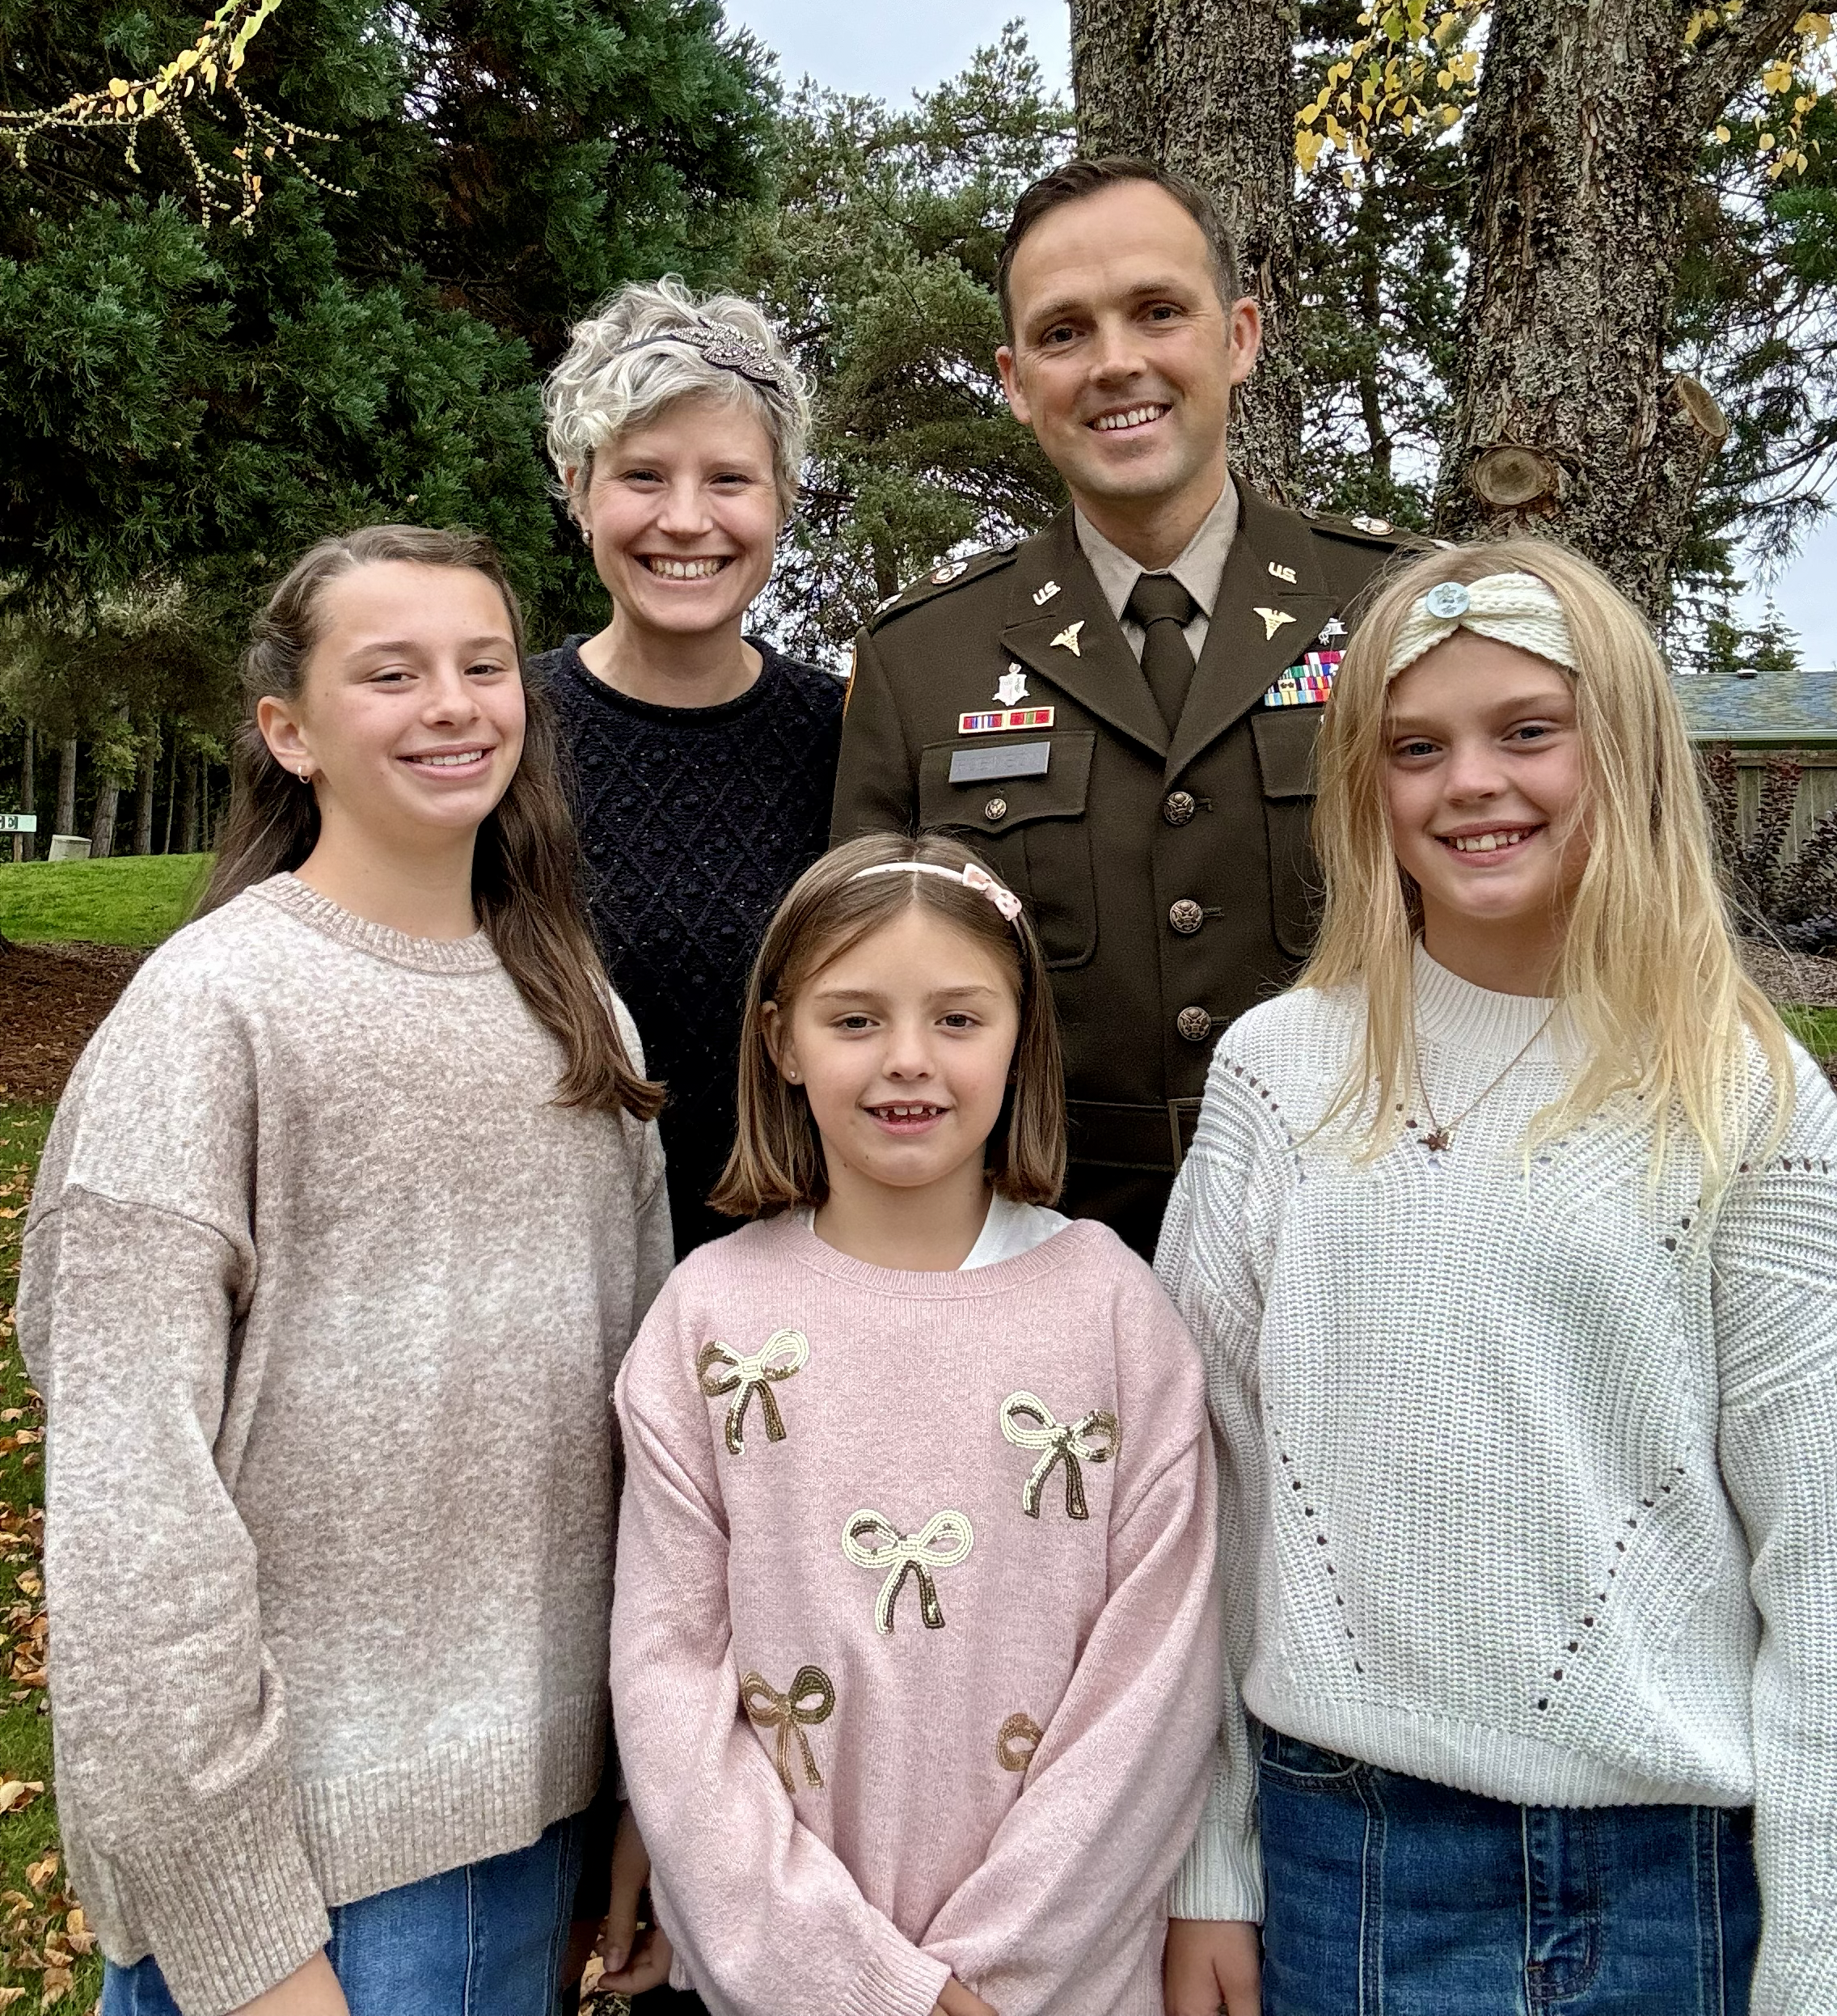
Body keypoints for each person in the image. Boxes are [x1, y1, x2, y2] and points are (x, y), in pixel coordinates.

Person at [1156, 539, 1837, 2016]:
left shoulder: (1742, 1097)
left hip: (1669, 1887)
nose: (1470, 780)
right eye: (1416, 747)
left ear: (1621, 750)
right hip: (1341, 1856)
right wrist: (1207, 1862)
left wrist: (1829, 1957)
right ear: (1366, 788)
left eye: (1527, 730)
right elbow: (1202, 1503)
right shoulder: (1278, 1080)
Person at [19, 525, 672, 2016]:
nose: (452, 703)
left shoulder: (583, 1019)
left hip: (538, 1840)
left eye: (484, 664)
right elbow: (134, 1518)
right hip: (310, 1898)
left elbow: (642, 1451)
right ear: (289, 729)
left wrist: (639, 1786)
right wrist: (243, 1934)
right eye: (391, 671)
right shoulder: (211, 1014)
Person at [601, 833, 1223, 2016]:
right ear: (779, 1040)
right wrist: (859, 1986)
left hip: (1066, 1988)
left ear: (1021, 1034)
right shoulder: (707, 1319)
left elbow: (1158, 1685)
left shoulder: (1114, 1312)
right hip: (773, 1987)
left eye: (957, 1019)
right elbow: (669, 1682)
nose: (907, 1062)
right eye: (854, 1021)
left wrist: (987, 1981)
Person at [830, 155, 1425, 1257]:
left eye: (1158, 312)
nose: (1115, 363)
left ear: (1240, 335)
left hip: (1373, 1243)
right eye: (1064, 333)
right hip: (1038, 1260)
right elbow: (865, 1003)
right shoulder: (925, 662)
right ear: (1014, 381)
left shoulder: (1402, 613)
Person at [534, 276, 844, 1259]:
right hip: (552, 1273)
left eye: (727, 479)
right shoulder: (503, 732)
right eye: (641, 476)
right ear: (579, 490)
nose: (684, 518)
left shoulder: (851, 735)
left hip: (797, 1278)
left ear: (782, 501)